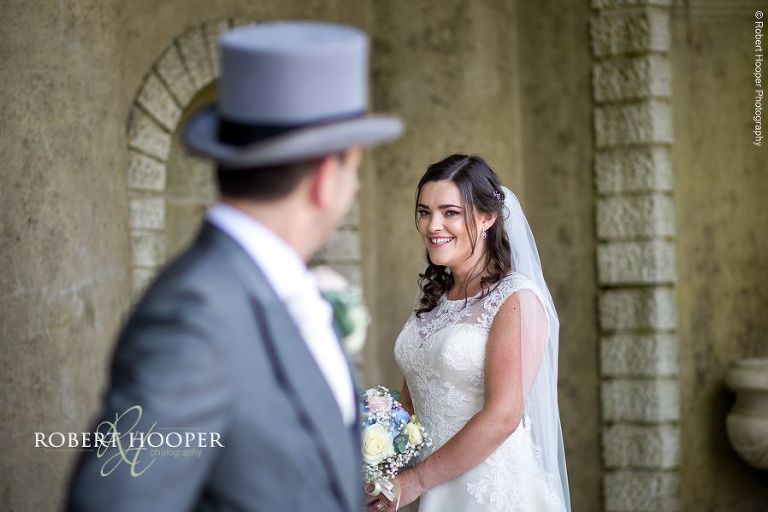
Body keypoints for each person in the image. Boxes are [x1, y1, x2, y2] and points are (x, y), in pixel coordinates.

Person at [66, 21, 402, 512]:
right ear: (326, 178)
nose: (354, 190)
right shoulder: (194, 314)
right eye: (354, 170)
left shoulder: (270, 286)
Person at [375, 154, 570, 512]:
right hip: (436, 486)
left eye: (450, 212)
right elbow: (411, 404)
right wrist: (375, 455)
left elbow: (504, 415)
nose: (433, 225)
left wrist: (416, 481)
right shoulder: (435, 299)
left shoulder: (516, 298)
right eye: (424, 212)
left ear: (487, 217)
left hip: (489, 488)